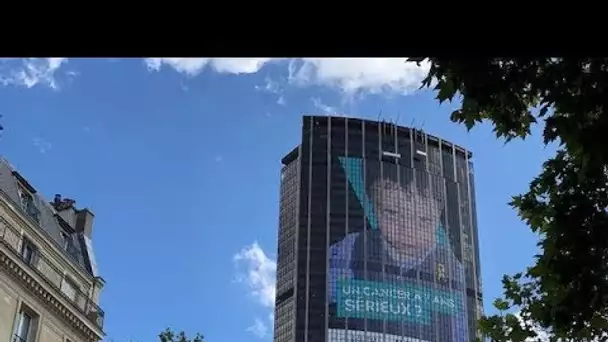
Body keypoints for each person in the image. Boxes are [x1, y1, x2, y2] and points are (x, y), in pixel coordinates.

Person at [328, 158, 468, 342]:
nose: (408, 230)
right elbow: (320, 293)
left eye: (424, 220)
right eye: (392, 214)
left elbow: (461, 327)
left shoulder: (451, 266)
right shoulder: (353, 245)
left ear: (438, 218)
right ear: (375, 210)